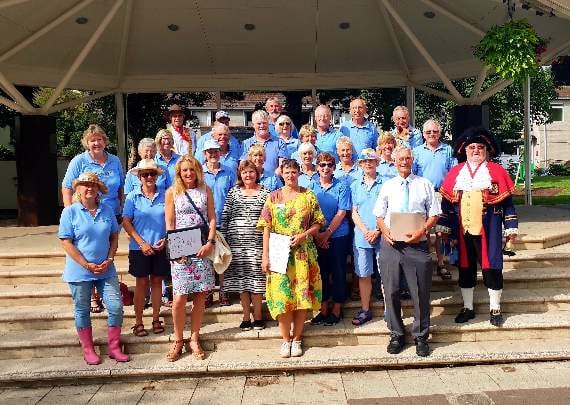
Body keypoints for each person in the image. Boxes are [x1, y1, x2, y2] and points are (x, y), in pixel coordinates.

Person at [439, 127, 518, 327]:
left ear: (486, 150)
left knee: (492, 269)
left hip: (489, 231)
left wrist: (511, 229)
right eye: (472, 147)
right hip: (462, 231)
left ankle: (495, 309)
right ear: (465, 151)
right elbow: (446, 205)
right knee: (465, 269)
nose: (476, 150)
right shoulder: (456, 173)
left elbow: (508, 205)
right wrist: (444, 227)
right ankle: (468, 308)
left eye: (480, 147)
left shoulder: (497, 171)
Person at [374, 147, 441, 357]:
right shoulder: (387, 185)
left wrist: (422, 230)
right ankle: (396, 334)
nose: (404, 161)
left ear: (412, 160)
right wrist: (385, 232)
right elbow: (378, 215)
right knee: (391, 291)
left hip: (417, 244)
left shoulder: (424, 184)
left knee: (420, 292)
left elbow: (435, 213)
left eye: (407, 158)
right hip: (392, 245)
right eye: (400, 158)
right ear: (394, 161)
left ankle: (421, 336)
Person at [58, 172, 129, 365]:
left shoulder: (106, 209)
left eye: (93, 185)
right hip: (79, 271)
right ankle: (88, 349)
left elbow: (114, 236)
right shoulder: (70, 212)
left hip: (106, 268)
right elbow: (66, 242)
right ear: (78, 189)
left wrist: (110, 258)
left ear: (98, 189)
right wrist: (85, 264)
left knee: (115, 306)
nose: (89, 188)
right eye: (85, 185)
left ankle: (114, 347)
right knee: (82, 309)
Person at [257, 159, 325, 358]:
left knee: (301, 297)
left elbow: (318, 223)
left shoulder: (308, 195)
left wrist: (304, 235)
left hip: (303, 253)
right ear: (282, 174)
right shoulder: (273, 197)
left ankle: (297, 339)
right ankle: (285, 339)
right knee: (282, 297)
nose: (290, 175)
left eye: (294, 171)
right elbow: (266, 227)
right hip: (279, 254)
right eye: (287, 172)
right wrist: (265, 255)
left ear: (299, 173)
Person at [61, 124, 125, 314]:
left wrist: (120, 209)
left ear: (105, 141)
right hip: (83, 214)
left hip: (109, 215)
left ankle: (104, 290)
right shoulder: (79, 161)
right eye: (92, 140)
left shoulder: (114, 160)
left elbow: (120, 187)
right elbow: (67, 187)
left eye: (99, 139)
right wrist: (71, 212)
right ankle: (92, 297)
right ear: (86, 143)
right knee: (87, 250)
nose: (96, 143)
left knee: (104, 251)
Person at [164, 155, 216, 361]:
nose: (188, 173)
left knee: (200, 297)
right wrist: (177, 249)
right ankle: (178, 339)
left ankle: (194, 337)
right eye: (184, 170)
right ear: (179, 172)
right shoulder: (172, 192)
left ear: (197, 171)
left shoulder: (206, 190)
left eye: (191, 169)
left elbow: (212, 218)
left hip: (202, 248)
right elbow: (170, 222)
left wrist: (210, 243)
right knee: (179, 299)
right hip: (181, 252)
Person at [220, 160, 270, 331]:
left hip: (257, 245)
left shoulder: (265, 193)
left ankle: (258, 316)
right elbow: (225, 217)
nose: (248, 175)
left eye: (251, 172)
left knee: (256, 282)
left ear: (257, 173)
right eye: (244, 172)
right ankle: (246, 317)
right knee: (242, 283)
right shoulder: (233, 192)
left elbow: (269, 219)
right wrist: (223, 242)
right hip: (236, 245)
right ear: (240, 174)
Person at [122, 159, 168, 337]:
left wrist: (166, 239)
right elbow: (126, 221)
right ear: (139, 177)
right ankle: (139, 321)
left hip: (160, 246)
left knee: (157, 282)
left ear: (156, 176)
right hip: (138, 247)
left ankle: (156, 318)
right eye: (145, 174)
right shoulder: (132, 196)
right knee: (141, 284)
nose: (149, 177)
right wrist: (141, 243)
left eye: (152, 173)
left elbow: (172, 220)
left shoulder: (166, 195)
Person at [309, 152, 351, 326]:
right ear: (317, 167)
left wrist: (326, 234)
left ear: (334, 167)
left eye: (329, 165)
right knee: (321, 273)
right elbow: (309, 212)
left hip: (338, 235)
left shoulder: (341, 185)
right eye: (322, 165)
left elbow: (342, 212)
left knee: (339, 271)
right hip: (317, 235)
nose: (325, 168)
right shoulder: (311, 186)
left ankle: (337, 309)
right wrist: (318, 235)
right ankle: (323, 308)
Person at [412, 119, 457, 280]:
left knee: (440, 232)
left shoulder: (447, 150)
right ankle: (423, 264)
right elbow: (413, 174)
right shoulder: (416, 151)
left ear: (440, 133)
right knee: (422, 230)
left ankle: (441, 263)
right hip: (422, 195)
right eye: (428, 132)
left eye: (435, 131)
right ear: (423, 134)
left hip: (441, 194)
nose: (432, 134)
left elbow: (453, 173)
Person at [349, 149, 383, 326]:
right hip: (362, 237)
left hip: (383, 235)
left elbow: (389, 209)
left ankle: (389, 310)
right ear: (360, 164)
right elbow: (354, 212)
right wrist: (365, 231)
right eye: (364, 161)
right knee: (364, 274)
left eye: (371, 160)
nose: (368, 163)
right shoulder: (354, 185)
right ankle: (365, 309)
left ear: (377, 162)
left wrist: (377, 230)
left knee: (385, 274)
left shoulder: (386, 183)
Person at [202, 139, 236, 306]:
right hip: (205, 223)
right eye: (210, 152)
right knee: (208, 258)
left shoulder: (229, 172)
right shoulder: (199, 173)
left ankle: (224, 291)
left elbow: (233, 196)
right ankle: (208, 292)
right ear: (204, 154)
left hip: (224, 221)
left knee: (223, 257)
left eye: (216, 151)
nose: (213, 154)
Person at [241, 110, 286, 174]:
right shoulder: (246, 144)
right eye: (259, 123)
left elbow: (282, 166)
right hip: (252, 181)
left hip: (273, 181)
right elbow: (243, 167)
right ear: (253, 125)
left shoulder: (280, 143)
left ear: (269, 124)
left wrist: (270, 178)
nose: (262, 126)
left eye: (264, 123)